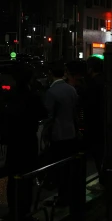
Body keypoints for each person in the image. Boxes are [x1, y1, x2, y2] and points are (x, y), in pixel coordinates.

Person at [1, 63, 47, 221]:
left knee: (13, 178)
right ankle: (24, 213)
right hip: (27, 140)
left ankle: (13, 211)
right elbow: (43, 112)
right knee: (26, 178)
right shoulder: (32, 96)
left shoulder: (10, 95)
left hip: (13, 141)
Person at [44, 60, 79, 206]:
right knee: (68, 167)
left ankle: (61, 196)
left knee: (58, 166)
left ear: (50, 74)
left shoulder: (51, 92)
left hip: (57, 134)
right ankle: (68, 195)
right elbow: (76, 112)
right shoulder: (71, 89)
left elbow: (48, 115)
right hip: (70, 132)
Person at [81, 57, 106, 190]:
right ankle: (104, 179)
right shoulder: (105, 81)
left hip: (95, 124)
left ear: (90, 69)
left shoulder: (92, 84)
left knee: (98, 154)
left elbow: (88, 105)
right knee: (102, 154)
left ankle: (103, 181)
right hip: (104, 123)